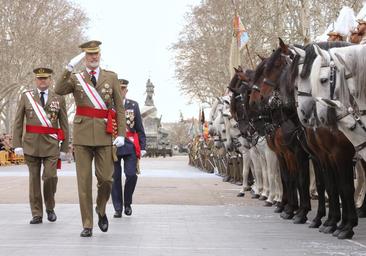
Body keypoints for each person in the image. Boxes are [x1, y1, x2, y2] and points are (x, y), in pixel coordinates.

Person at [55, 40, 126, 237]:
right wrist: (68, 68)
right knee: (83, 182)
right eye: (89, 55)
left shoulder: (111, 77)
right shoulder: (76, 78)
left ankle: (101, 208)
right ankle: (87, 224)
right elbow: (59, 90)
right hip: (82, 135)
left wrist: (121, 133)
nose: (93, 58)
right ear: (84, 58)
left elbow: (119, 108)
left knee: (106, 179)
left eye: (96, 54)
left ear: (100, 55)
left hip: (105, 135)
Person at [12, 67, 69, 224]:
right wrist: (17, 144)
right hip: (31, 145)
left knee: (50, 177)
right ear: (35, 80)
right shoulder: (26, 97)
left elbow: (64, 125)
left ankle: (50, 207)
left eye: (45, 78)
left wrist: (64, 147)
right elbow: (18, 122)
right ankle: (37, 213)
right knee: (34, 180)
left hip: (51, 145)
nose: (42, 81)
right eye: (39, 78)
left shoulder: (59, 98)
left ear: (50, 80)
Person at [112, 79, 146, 218]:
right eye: (119, 89)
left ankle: (127, 203)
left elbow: (139, 127)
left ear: (126, 90)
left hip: (130, 145)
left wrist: (143, 146)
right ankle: (118, 208)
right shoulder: (109, 106)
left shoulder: (133, 105)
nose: (121, 91)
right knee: (115, 178)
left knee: (131, 175)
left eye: (123, 89)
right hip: (113, 145)